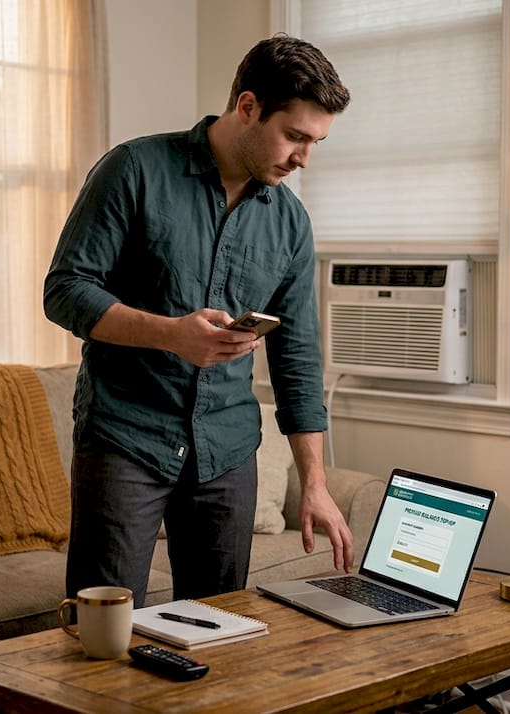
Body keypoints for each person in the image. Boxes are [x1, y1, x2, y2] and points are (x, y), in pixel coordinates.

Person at [43, 34, 352, 607]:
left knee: (218, 633)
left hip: (228, 453)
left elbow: (298, 361)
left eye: (316, 142)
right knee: (101, 634)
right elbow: (65, 291)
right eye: (295, 136)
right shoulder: (134, 169)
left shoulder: (290, 223)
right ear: (248, 107)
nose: (303, 158)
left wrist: (315, 483)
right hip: (125, 439)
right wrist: (172, 334)